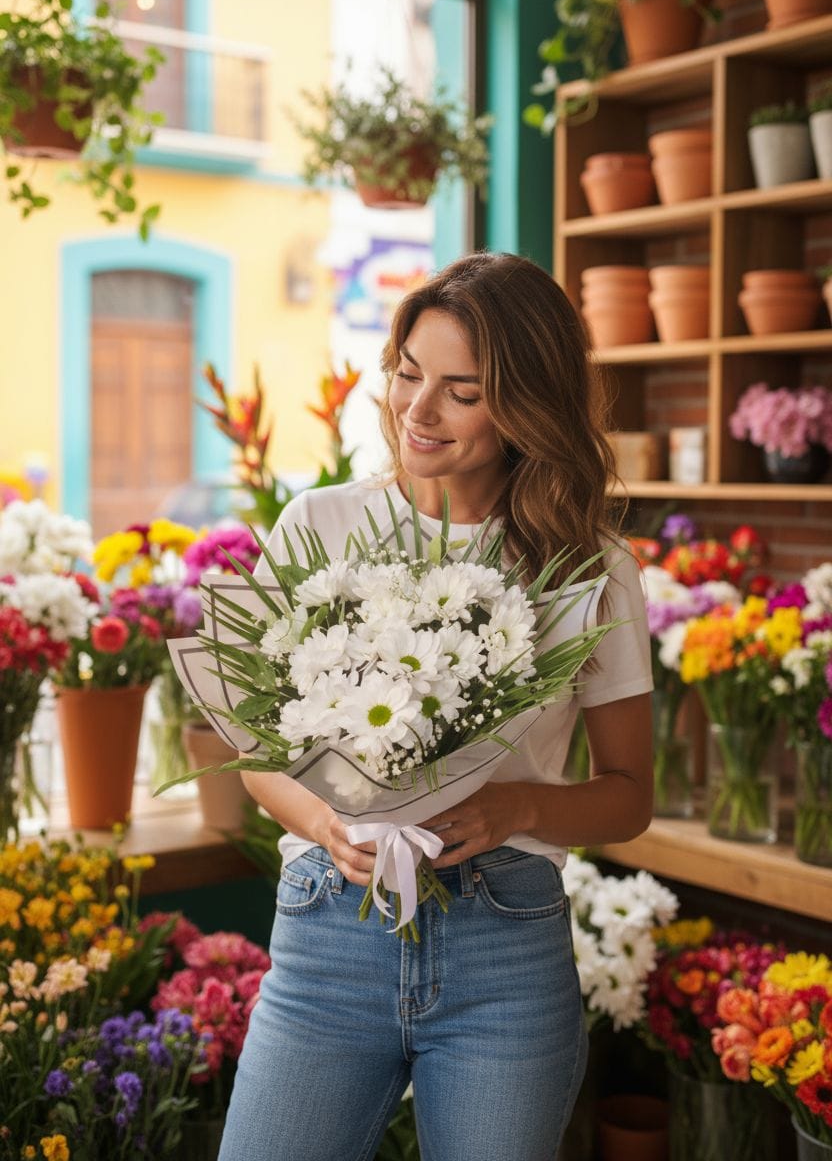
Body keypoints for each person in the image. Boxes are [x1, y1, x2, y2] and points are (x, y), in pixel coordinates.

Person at [217, 251, 653, 1161]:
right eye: (408, 374)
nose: (417, 411)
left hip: (507, 947)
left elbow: (628, 794)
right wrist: (324, 823)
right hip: (329, 931)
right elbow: (257, 752)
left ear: (529, 402)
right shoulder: (319, 525)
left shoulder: (591, 567)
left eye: (462, 390)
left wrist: (519, 807)